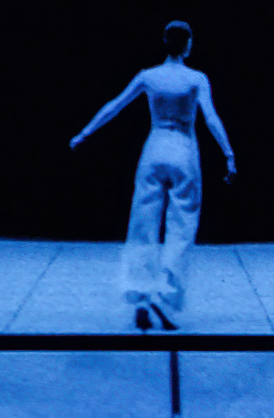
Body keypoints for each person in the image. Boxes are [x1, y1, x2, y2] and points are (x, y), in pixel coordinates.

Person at [69, 21, 236, 332]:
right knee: (182, 226)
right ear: (187, 44)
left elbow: (114, 106)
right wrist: (228, 154)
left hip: (154, 149)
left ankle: (142, 293)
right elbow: (211, 118)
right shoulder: (196, 78)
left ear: (164, 41)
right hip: (183, 150)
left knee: (143, 223)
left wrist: (84, 133)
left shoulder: (149, 76)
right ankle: (165, 296)